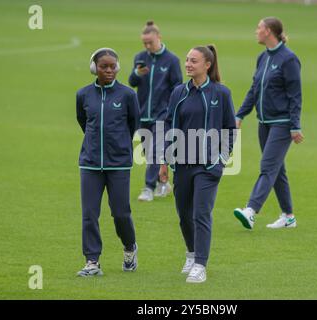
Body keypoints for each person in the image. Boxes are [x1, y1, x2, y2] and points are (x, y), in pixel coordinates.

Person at [159, 45, 236, 283]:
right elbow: (169, 127)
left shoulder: (221, 93)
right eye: (187, 60)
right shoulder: (178, 92)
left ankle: (200, 265)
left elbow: (230, 130)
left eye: (193, 61)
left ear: (207, 65)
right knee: (184, 214)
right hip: (182, 165)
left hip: (208, 166)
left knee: (201, 213)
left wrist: (221, 160)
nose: (188, 64)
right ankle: (191, 254)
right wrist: (164, 161)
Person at [233, 17, 304, 230]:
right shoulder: (262, 58)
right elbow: (254, 90)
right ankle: (288, 216)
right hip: (264, 123)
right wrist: (240, 115)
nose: (256, 31)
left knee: (267, 167)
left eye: (259, 28)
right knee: (277, 169)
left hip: (282, 123)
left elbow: (295, 95)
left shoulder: (289, 59)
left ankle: (251, 210)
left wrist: (295, 125)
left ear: (269, 31)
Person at [76, 48, 140, 276]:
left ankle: (130, 248)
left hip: (119, 164)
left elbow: (134, 124)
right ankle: (92, 261)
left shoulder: (127, 95)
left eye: (113, 66)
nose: (109, 70)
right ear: (94, 68)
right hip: (90, 164)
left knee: (121, 213)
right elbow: (84, 122)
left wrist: (118, 144)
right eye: (104, 67)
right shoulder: (83, 95)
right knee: (89, 214)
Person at [129, 21, 183, 202]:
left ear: (159, 37)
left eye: (150, 42)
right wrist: (137, 73)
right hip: (142, 113)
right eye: (144, 43)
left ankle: (148, 188)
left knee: (155, 151)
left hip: (162, 114)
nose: (147, 46)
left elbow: (178, 87)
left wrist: (171, 109)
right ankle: (163, 183)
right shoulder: (140, 57)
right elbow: (132, 82)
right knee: (147, 151)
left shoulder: (171, 60)